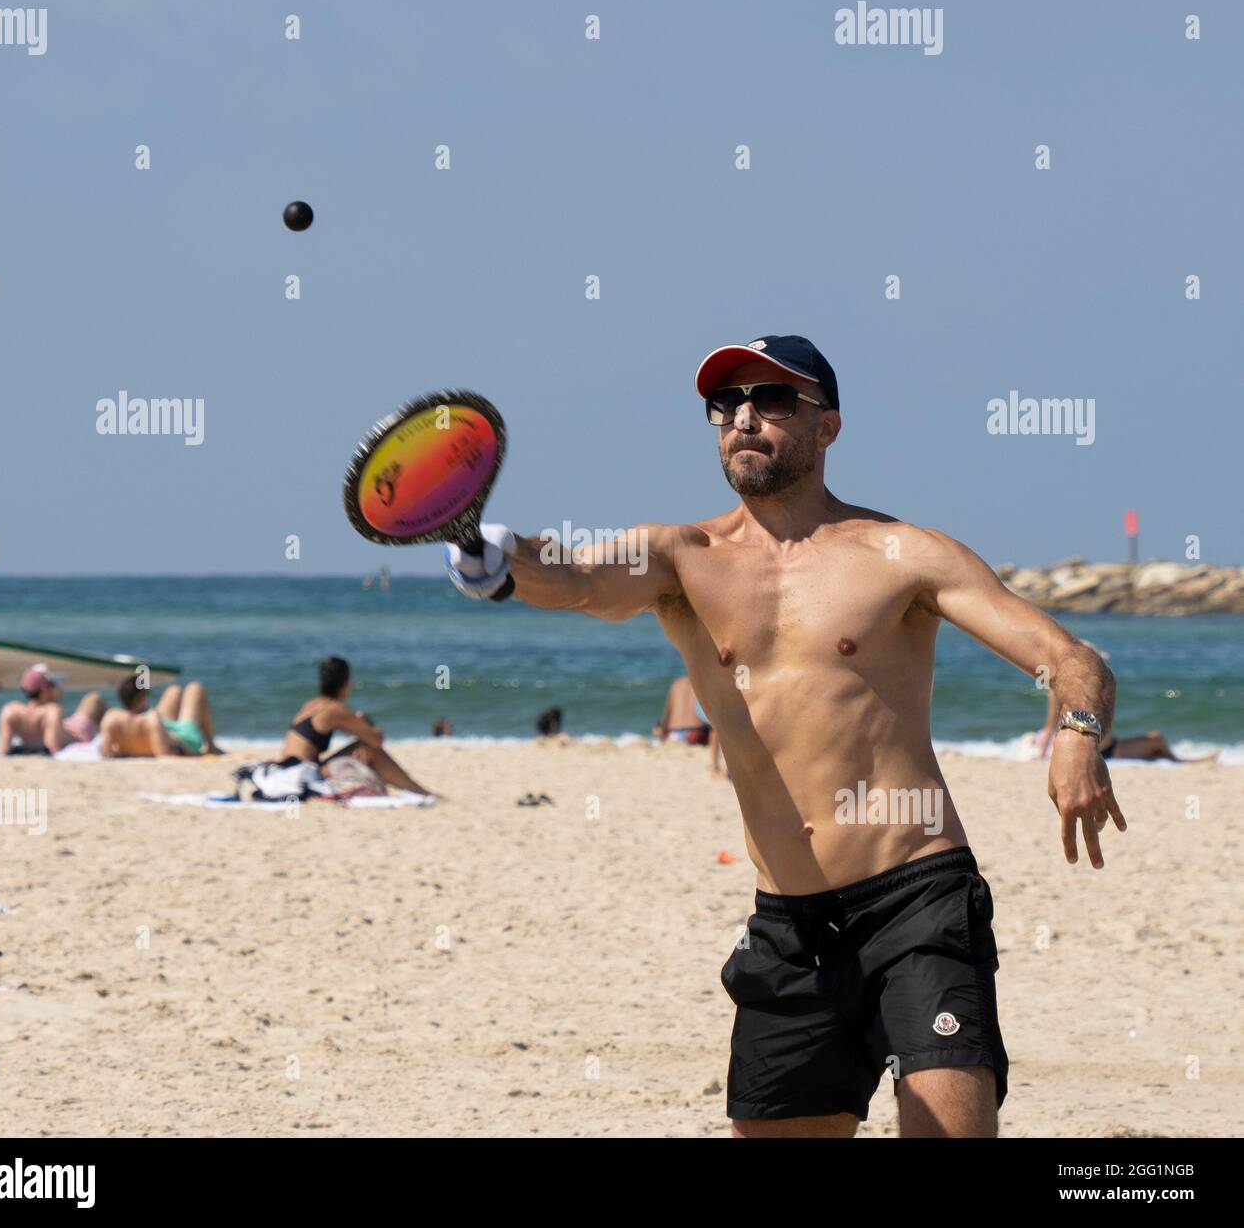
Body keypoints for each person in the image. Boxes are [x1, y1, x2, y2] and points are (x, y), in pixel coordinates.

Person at [445, 333, 1127, 1139]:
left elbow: (1070, 658)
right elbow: (578, 576)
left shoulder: (904, 554)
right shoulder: (680, 556)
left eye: (772, 400)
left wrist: (1079, 732)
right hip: (789, 925)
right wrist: (500, 559)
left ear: (827, 426)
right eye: (726, 403)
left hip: (917, 900)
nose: (743, 418)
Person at [278, 656, 434, 796]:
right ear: (345, 683)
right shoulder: (333, 709)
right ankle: (419, 791)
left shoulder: (311, 705)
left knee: (362, 748)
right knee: (370, 749)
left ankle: (414, 790)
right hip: (302, 776)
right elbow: (376, 740)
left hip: (285, 771)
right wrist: (367, 721)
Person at [1035, 685, 1216, 763]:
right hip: (1105, 752)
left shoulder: (1075, 689)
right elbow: (1051, 725)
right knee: (1157, 739)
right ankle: (1179, 762)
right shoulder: (1062, 692)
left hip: (1104, 748)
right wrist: (1041, 755)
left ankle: (1175, 760)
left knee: (1154, 751)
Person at [0, 665, 105, 755]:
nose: (54, 688)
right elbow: (53, 747)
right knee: (94, 698)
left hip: (65, 725)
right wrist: (55, 699)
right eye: (52, 685)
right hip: (79, 732)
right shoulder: (52, 711)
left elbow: (3, 748)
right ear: (44, 689)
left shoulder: (10, 711)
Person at [100, 676, 221, 757]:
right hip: (183, 738)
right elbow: (163, 755)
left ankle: (212, 747)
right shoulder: (151, 718)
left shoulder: (111, 718)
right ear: (142, 697)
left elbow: (106, 753)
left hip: (161, 729)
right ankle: (211, 747)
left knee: (174, 690)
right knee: (195, 688)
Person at [652, 675, 712, 746]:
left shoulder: (677, 683)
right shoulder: (701, 682)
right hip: (697, 732)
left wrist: (662, 729)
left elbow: (668, 712)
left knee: (658, 731)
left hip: (675, 733)